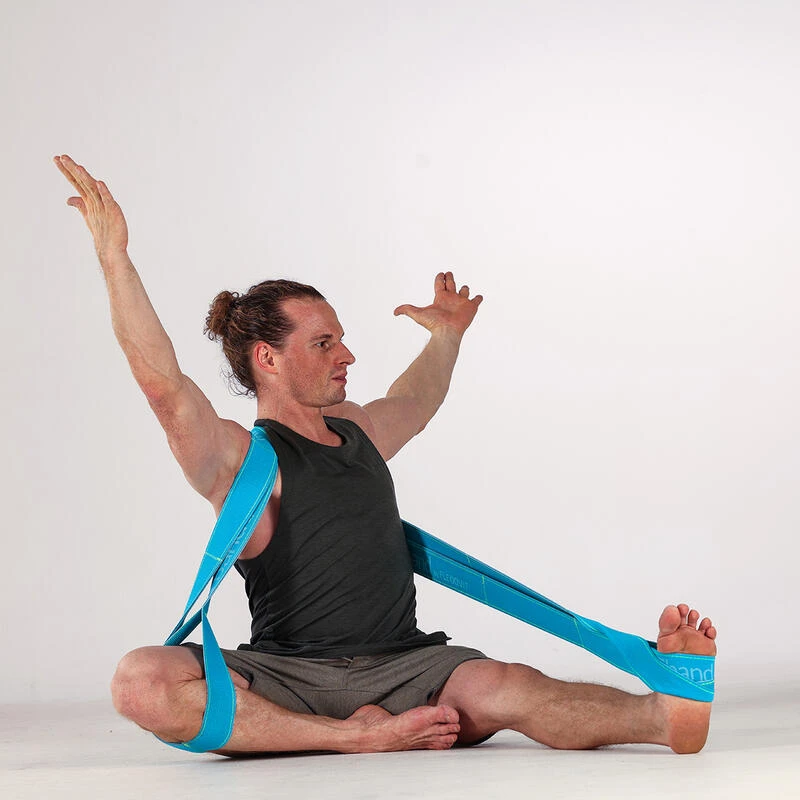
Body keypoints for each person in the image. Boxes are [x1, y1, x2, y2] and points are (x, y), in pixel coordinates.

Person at [55, 154, 718, 756]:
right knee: (140, 680)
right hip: (287, 677)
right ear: (268, 359)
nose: (346, 355)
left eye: (341, 339)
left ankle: (661, 717)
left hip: (407, 668)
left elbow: (415, 400)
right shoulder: (235, 458)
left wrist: (446, 336)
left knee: (509, 685)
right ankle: (351, 737)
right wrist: (115, 257)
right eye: (323, 344)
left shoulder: (357, 433)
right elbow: (165, 387)